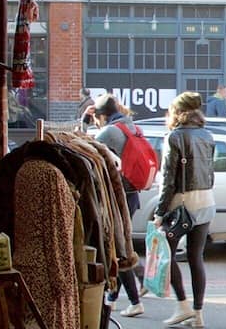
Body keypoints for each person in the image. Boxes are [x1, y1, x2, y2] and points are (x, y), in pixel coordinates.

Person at [155, 93, 217, 327]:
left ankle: (182, 305)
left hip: (182, 206)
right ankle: (198, 313)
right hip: (206, 202)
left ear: (176, 112)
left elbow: (168, 181)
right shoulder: (208, 135)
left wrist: (160, 213)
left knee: (166, 255)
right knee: (196, 257)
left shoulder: (174, 137)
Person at [90, 95, 146, 317]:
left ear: (102, 116)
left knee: (119, 248)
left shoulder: (109, 131)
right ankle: (114, 297)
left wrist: (87, 123)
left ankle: (134, 301)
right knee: (120, 245)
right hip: (132, 196)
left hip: (117, 198)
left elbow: (88, 147)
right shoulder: (130, 126)